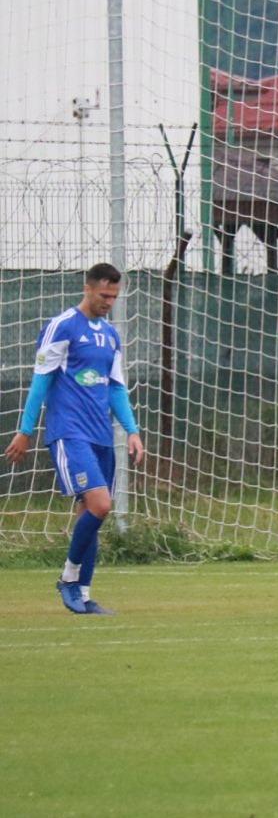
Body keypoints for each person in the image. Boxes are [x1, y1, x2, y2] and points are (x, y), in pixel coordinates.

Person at [6, 263, 145, 614]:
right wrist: (26, 430)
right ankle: (68, 579)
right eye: (104, 295)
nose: (109, 302)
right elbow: (40, 382)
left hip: (100, 435)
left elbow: (115, 388)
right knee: (101, 505)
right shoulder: (62, 326)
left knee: (91, 513)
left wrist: (132, 431)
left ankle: (83, 594)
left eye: (114, 296)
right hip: (69, 432)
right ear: (87, 288)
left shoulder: (110, 335)